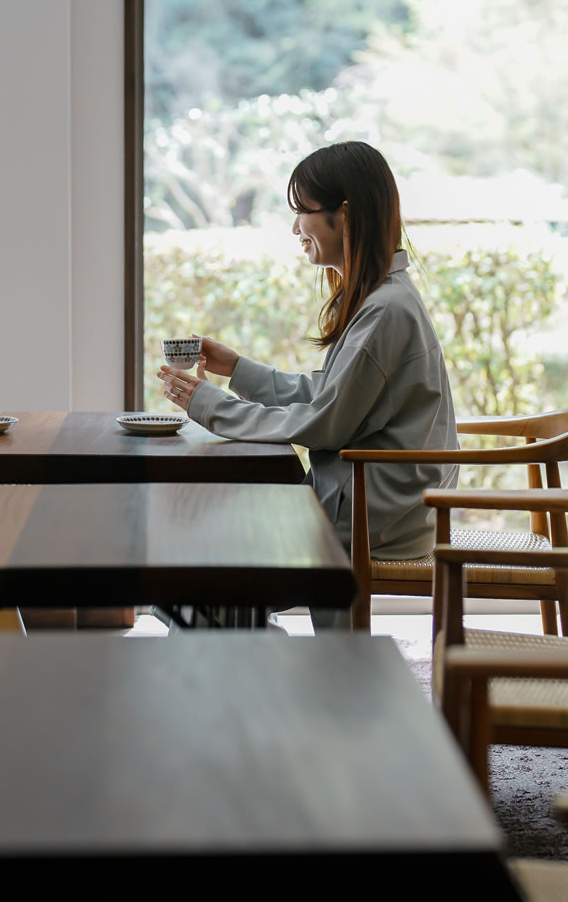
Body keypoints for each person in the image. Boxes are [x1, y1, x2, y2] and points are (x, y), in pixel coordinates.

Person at [158, 140, 458, 630]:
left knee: (197, 561)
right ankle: (261, 662)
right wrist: (238, 370)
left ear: (345, 216)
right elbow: (330, 397)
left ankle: (265, 673)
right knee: (198, 555)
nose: (297, 228)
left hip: (369, 515)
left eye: (303, 212)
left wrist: (208, 404)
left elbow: (324, 423)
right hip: (374, 502)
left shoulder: (385, 309)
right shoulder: (383, 299)